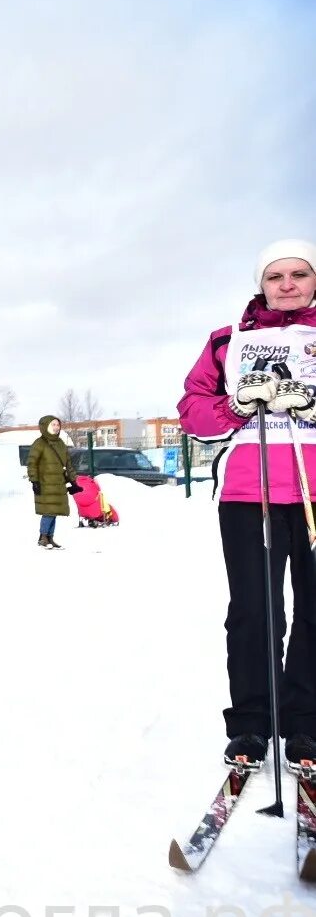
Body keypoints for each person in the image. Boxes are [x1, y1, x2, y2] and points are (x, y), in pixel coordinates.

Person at [179, 238, 316, 766]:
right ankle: (251, 725)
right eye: (275, 276)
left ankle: (305, 724)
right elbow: (193, 409)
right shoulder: (227, 340)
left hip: (312, 493)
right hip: (248, 492)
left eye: (298, 275)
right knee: (256, 611)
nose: (286, 285)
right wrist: (235, 405)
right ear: (261, 284)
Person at [26, 415, 73, 550]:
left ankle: (50, 537)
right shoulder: (39, 443)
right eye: (53, 425)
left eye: (58, 425)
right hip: (45, 483)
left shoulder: (60, 443)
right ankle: (43, 537)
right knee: (49, 511)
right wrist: (34, 480)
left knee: (54, 511)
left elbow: (68, 463)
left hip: (58, 484)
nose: (56, 427)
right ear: (46, 426)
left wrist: (73, 480)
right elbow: (32, 463)